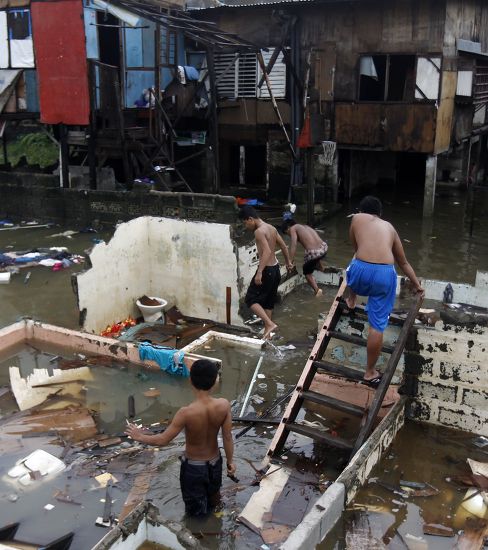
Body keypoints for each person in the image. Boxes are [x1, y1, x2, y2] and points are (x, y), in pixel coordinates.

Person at [125, 359, 235, 517]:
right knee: (214, 497)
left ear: (190, 380)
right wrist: (231, 462)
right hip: (215, 463)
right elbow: (227, 437)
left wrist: (139, 435)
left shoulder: (186, 413)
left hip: (194, 468)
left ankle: (197, 535)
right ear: (214, 382)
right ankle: (218, 522)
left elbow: (163, 440)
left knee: (194, 512)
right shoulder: (224, 405)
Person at [345, 196, 423, 387]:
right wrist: (417, 285)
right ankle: (370, 372)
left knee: (354, 263)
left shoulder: (356, 218)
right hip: (384, 276)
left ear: (361, 210)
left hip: (360, 273)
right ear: (380, 213)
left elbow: (356, 248)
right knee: (376, 327)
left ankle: (352, 297)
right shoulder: (390, 228)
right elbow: (403, 263)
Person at [239, 205, 293, 339]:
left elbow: (267, 251)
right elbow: (284, 246)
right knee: (268, 302)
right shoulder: (272, 228)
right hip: (275, 269)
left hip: (267, 270)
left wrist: (259, 272)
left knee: (250, 299)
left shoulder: (259, 231)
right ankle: (267, 334)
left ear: (250, 219)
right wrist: (288, 263)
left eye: (245, 223)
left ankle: (269, 324)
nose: (246, 226)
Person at [281, 218, 328, 297]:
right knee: (309, 256)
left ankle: (317, 291)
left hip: (315, 253)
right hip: (324, 248)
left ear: (288, 227)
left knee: (306, 272)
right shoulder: (305, 226)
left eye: (287, 233)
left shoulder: (293, 228)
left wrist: (290, 261)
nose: (289, 235)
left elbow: (294, 245)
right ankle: (321, 268)